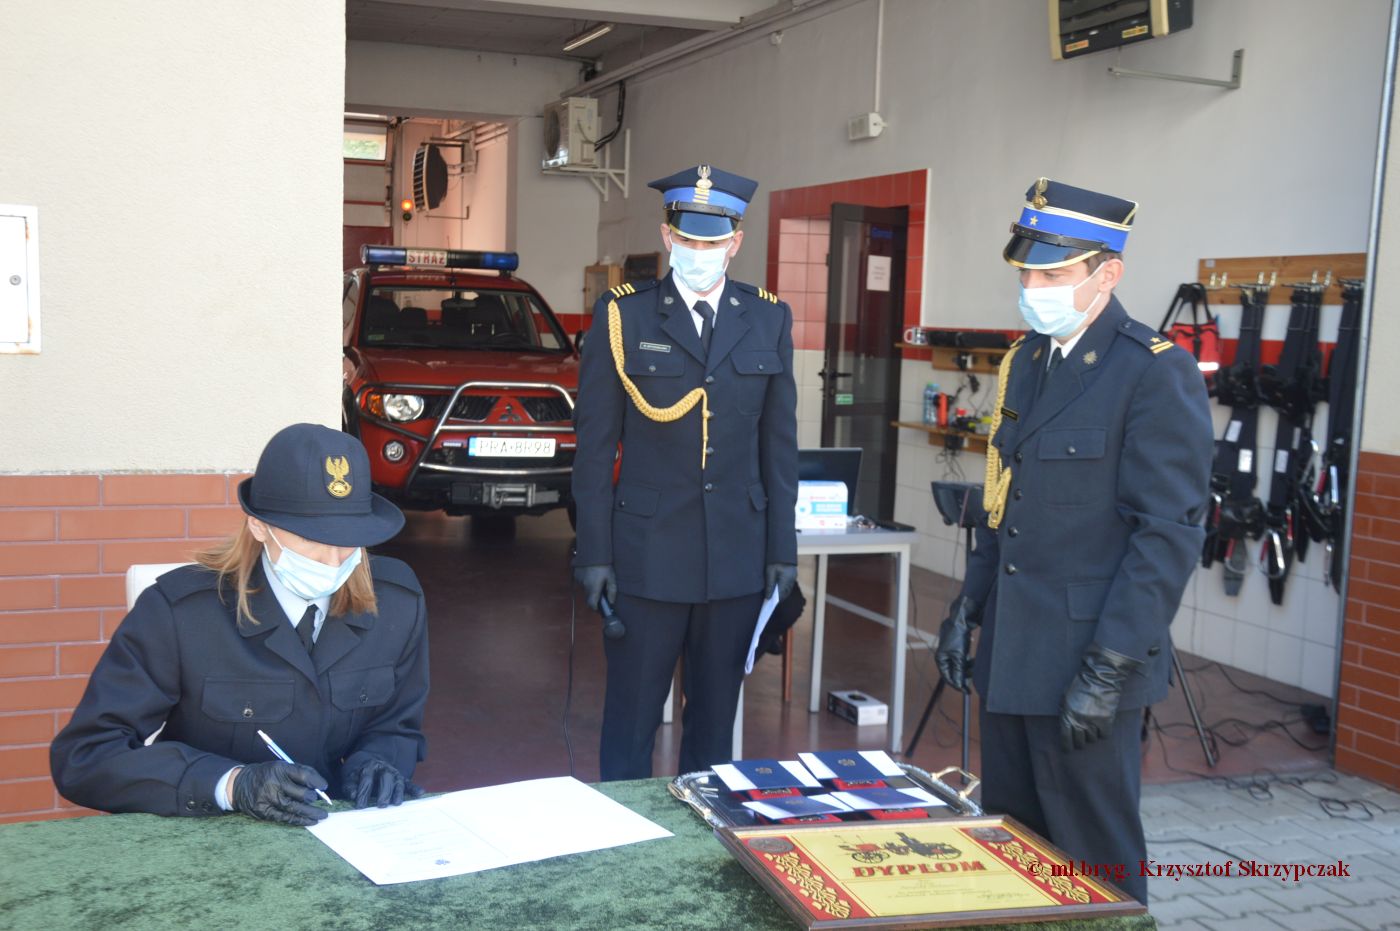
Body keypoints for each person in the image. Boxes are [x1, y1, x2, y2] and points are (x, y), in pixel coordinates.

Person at [934, 178, 1213, 904]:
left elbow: (1165, 538)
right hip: (1012, 655)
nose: (1033, 289)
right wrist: (969, 607)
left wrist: (1110, 668)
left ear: (1107, 274)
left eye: (1054, 275)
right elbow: (1005, 504)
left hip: (1086, 665)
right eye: (1027, 274)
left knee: (1096, 863)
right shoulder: (1026, 361)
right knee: (1015, 852)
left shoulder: (1153, 370)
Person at [51, 423, 430, 825]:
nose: (334, 560)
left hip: (335, 833)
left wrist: (378, 761)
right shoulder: (180, 613)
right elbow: (86, 757)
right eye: (312, 539)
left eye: (350, 538)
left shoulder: (397, 602)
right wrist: (230, 785)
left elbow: (396, 726)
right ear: (259, 526)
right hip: (210, 837)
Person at [572, 164, 798, 780]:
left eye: (712, 240)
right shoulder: (625, 317)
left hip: (735, 558)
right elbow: (594, 448)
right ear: (667, 237)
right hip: (646, 557)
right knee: (631, 723)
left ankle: (706, 830)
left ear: (736, 242)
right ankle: (624, 831)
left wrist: (782, 550)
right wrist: (594, 553)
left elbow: (779, 448)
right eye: (687, 238)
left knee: (715, 729)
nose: (699, 251)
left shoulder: (769, 319)